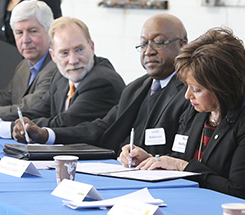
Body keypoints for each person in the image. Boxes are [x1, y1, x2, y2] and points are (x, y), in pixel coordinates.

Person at [118, 27, 245, 204]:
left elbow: (237, 191)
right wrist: (152, 160)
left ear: (222, 86)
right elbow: (179, 156)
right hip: (196, 201)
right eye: (187, 86)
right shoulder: (198, 110)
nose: (188, 96)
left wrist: (182, 167)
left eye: (197, 89)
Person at [14, 14, 191, 155]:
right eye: (144, 44)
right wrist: (46, 135)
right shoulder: (137, 88)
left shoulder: (190, 91)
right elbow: (102, 129)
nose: (149, 51)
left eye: (159, 42)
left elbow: (182, 153)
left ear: (183, 45)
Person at [0, 16, 125, 138]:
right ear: (53, 56)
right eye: (64, 53)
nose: (73, 60)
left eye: (79, 50)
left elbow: (64, 122)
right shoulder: (61, 75)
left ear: (92, 46)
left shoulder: (101, 81)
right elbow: (37, 111)